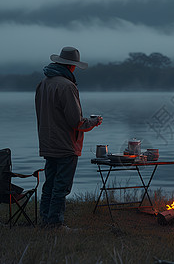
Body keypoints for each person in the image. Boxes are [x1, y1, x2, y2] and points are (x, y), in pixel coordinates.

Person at [35, 46, 102, 228]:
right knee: (61, 186)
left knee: (49, 184)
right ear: (71, 66)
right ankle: (55, 224)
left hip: (47, 143)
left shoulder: (43, 84)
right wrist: (93, 122)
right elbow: (75, 121)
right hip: (65, 145)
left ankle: (45, 220)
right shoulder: (67, 86)